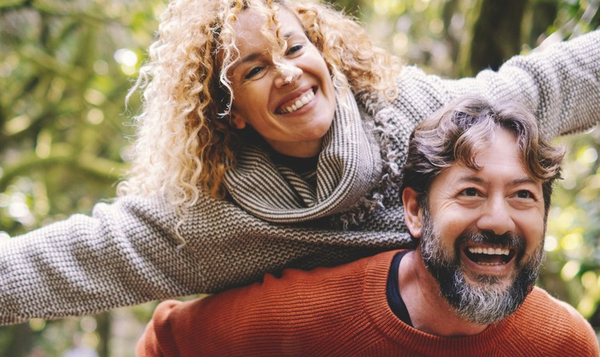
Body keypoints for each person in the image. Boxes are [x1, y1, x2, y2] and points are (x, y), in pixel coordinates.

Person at [1, 0, 600, 325]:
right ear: (229, 108)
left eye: (294, 46)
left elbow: (549, 83)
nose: (286, 71)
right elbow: (76, 257)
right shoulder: (212, 217)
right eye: (253, 69)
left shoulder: (422, 117)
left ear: (327, 55)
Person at [136, 96, 599, 357]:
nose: (499, 221)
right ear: (416, 212)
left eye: (523, 196)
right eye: (471, 193)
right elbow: (168, 343)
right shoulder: (307, 315)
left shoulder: (565, 343)